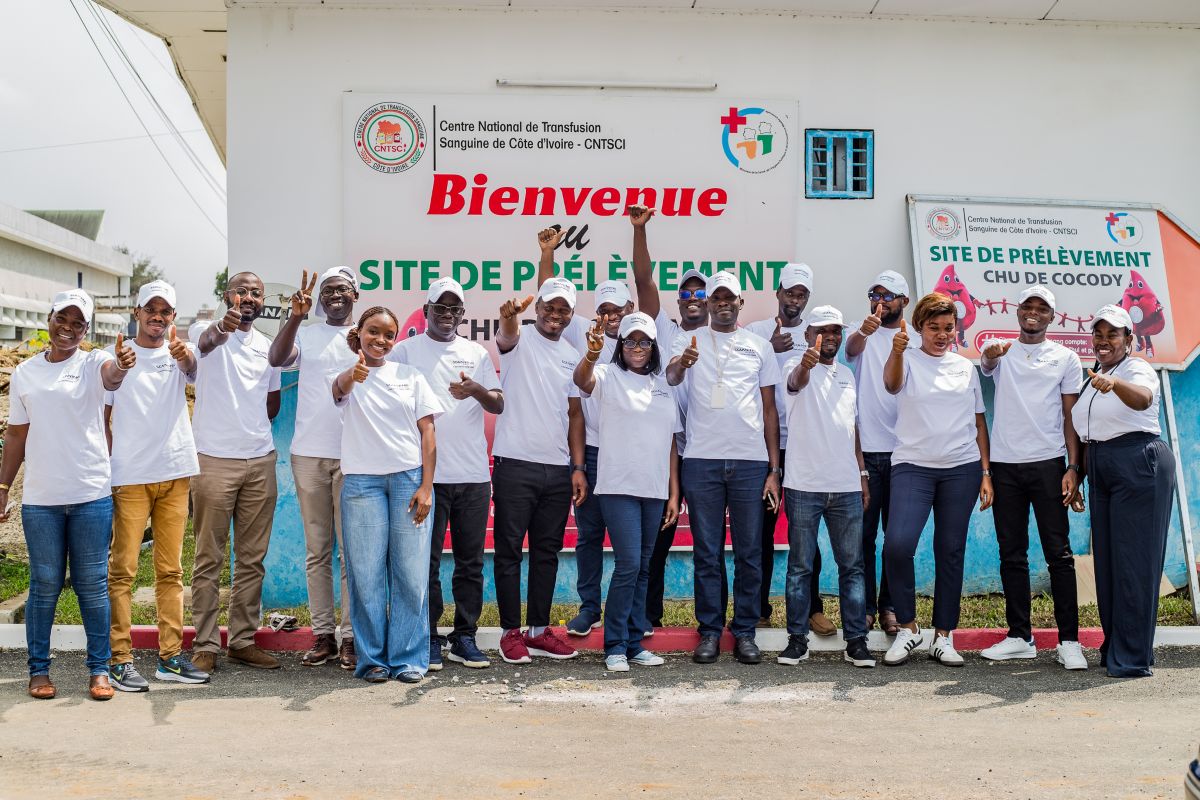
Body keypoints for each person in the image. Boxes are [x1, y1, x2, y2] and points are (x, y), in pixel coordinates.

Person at [0, 289, 135, 700]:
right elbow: (17, 433)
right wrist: (3, 487)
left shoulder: (94, 362)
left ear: (87, 329)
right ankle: (38, 671)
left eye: (79, 323)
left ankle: (99, 670)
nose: (69, 328)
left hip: (90, 494)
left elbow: (112, 376)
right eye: (64, 319)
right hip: (41, 500)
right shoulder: (25, 373)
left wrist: (122, 366)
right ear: (50, 319)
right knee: (44, 584)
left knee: (92, 584)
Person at [666, 270, 782, 665]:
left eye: (729, 297)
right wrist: (683, 362)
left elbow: (770, 409)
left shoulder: (758, 346)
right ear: (710, 303)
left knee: (749, 552)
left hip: (751, 463)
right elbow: (669, 379)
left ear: (740, 302)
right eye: (717, 298)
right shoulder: (686, 340)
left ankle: (745, 631)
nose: (723, 303)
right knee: (707, 553)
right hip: (702, 461)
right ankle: (711, 631)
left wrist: (773, 469)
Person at [390, 277, 503, 671]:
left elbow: (498, 403)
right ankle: (429, 636)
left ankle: (465, 637)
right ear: (427, 310)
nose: (447, 315)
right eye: (440, 307)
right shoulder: (404, 351)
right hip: (426, 477)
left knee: (471, 561)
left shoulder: (476, 353)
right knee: (427, 562)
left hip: (472, 475)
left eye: (455, 309)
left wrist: (476, 391)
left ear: (462, 315)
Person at [105, 280, 209, 692]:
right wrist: (119, 366)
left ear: (173, 318)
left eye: (166, 311)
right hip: (130, 476)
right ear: (137, 312)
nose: (158, 316)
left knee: (171, 570)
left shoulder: (180, 353)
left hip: (175, 472)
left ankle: (169, 658)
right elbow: (108, 393)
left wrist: (185, 357)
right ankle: (120, 658)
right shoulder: (116, 355)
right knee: (123, 571)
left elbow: (194, 370)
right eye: (152, 309)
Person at [978, 285, 1087, 670]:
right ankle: (1019, 637)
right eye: (1028, 306)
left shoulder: (1066, 358)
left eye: (1042, 309)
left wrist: (1074, 468)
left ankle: (1070, 641)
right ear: (1018, 311)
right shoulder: (1000, 351)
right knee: (1012, 554)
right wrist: (989, 354)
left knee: (1059, 554)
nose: (1034, 313)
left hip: (1048, 465)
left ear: (1052, 317)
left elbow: (1071, 417)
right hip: (1006, 467)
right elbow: (987, 361)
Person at [881, 293, 992, 667]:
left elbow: (979, 422)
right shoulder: (907, 358)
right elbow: (892, 386)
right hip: (913, 465)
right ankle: (909, 629)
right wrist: (896, 351)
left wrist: (986, 472)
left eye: (948, 328)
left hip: (961, 468)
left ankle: (944, 636)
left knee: (950, 551)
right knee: (897, 545)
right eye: (934, 328)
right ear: (919, 328)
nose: (942, 335)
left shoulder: (966, 368)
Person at [333, 306, 441, 683]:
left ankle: (410, 658)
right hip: (362, 483)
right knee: (366, 575)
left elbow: (428, 433)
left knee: (411, 574)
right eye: (373, 332)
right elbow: (338, 391)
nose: (381, 340)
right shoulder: (348, 377)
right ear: (358, 333)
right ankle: (373, 660)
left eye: (388, 334)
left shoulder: (410, 376)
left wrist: (426, 487)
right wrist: (353, 374)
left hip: (408, 482)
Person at [1072, 304, 1175, 678]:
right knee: (1110, 564)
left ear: (1128, 339)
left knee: (1135, 561)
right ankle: (1118, 645)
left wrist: (1115, 384)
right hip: (1103, 467)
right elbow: (1088, 431)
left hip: (1138, 462)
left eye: (1112, 334)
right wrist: (1077, 473)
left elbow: (1144, 399)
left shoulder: (1135, 369)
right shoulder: (1094, 375)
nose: (1103, 341)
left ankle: (1132, 656)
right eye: (1098, 334)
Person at [574, 312, 680, 671]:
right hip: (618, 486)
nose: (638, 347)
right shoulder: (607, 375)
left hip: (653, 489)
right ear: (621, 346)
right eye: (631, 341)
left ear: (654, 347)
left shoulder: (664, 385)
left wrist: (673, 492)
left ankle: (634, 644)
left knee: (644, 568)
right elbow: (581, 381)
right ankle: (615, 645)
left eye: (645, 341)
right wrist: (591, 354)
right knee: (629, 565)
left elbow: (670, 443)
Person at [491, 276, 588, 664]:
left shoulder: (570, 353)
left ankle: (537, 631)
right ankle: (509, 633)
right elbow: (508, 333)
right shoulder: (519, 339)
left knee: (547, 552)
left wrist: (577, 467)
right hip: (515, 463)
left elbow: (575, 414)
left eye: (563, 309)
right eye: (549, 306)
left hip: (557, 468)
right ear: (537, 309)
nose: (555, 314)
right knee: (509, 551)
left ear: (570, 315)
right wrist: (510, 318)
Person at [268, 266, 361, 671]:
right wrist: (296, 316)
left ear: (355, 295)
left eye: (342, 289)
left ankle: (352, 637)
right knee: (317, 550)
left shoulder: (366, 336)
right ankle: (323, 635)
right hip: (308, 455)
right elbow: (277, 358)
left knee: (352, 553)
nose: (334, 295)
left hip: (356, 455)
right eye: (328, 290)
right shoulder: (306, 333)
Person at [190, 272, 283, 674]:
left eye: (255, 293)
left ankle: (242, 640)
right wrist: (223, 327)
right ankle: (206, 643)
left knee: (252, 559)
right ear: (226, 296)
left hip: (260, 461)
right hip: (212, 460)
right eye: (241, 291)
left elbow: (272, 405)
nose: (248, 297)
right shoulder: (204, 331)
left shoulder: (268, 347)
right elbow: (207, 343)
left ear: (263, 301)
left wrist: (249, 426)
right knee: (208, 558)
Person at [776, 306, 875, 668]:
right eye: (822, 331)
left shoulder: (848, 375)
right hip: (804, 485)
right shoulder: (793, 367)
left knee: (852, 566)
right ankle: (797, 640)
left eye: (835, 331)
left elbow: (854, 430)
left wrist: (862, 475)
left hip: (846, 486)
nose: (830, 337)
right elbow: (795, 384)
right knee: (801, 567)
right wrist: (807, 362)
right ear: (808, 334)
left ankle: (856, 642)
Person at [629, 204, 708, 629]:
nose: (693, 299)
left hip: (709, 452)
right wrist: (640, 231)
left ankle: (709, 622)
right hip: (665, 450)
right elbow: (644, 280)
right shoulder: (666, 332)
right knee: (655, 542)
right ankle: (649, 617)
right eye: (687, 294)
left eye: (702, 294)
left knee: (708, 545)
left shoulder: (728, 337)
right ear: (678, 300)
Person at [743, 262, 833, 635]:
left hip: (803, 444)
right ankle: (758, 609)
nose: (795, 300)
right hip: (763, 445)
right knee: (759, 533)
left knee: (804, 533)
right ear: (778, 292)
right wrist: (769, 347)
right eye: (790, 292)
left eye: (802, 294)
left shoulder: (816, 335)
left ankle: (813, 608)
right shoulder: (755, 332)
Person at [565, 278, 636, 637]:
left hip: (629, 455)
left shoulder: (641, 347)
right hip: (592, 454)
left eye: (617, 310)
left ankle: (633, 617)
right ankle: (590, 607)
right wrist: (578, 466)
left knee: (632, 545)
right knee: (589, 535)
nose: (611, 317)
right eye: (604, 310)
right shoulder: (585, 342)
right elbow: (576, 413)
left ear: (630, 310)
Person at [844, 270, 910, 634]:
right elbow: (851, 348)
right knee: (864, 535)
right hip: (867, 452)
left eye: (888, 296)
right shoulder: (861, 331)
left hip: (904, 453)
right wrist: (865, 331)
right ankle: (866, 607)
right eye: (875, 294)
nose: (880, 301)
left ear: (905, 301)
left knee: (895, 537)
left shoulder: (913, 336)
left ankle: (890, 607)